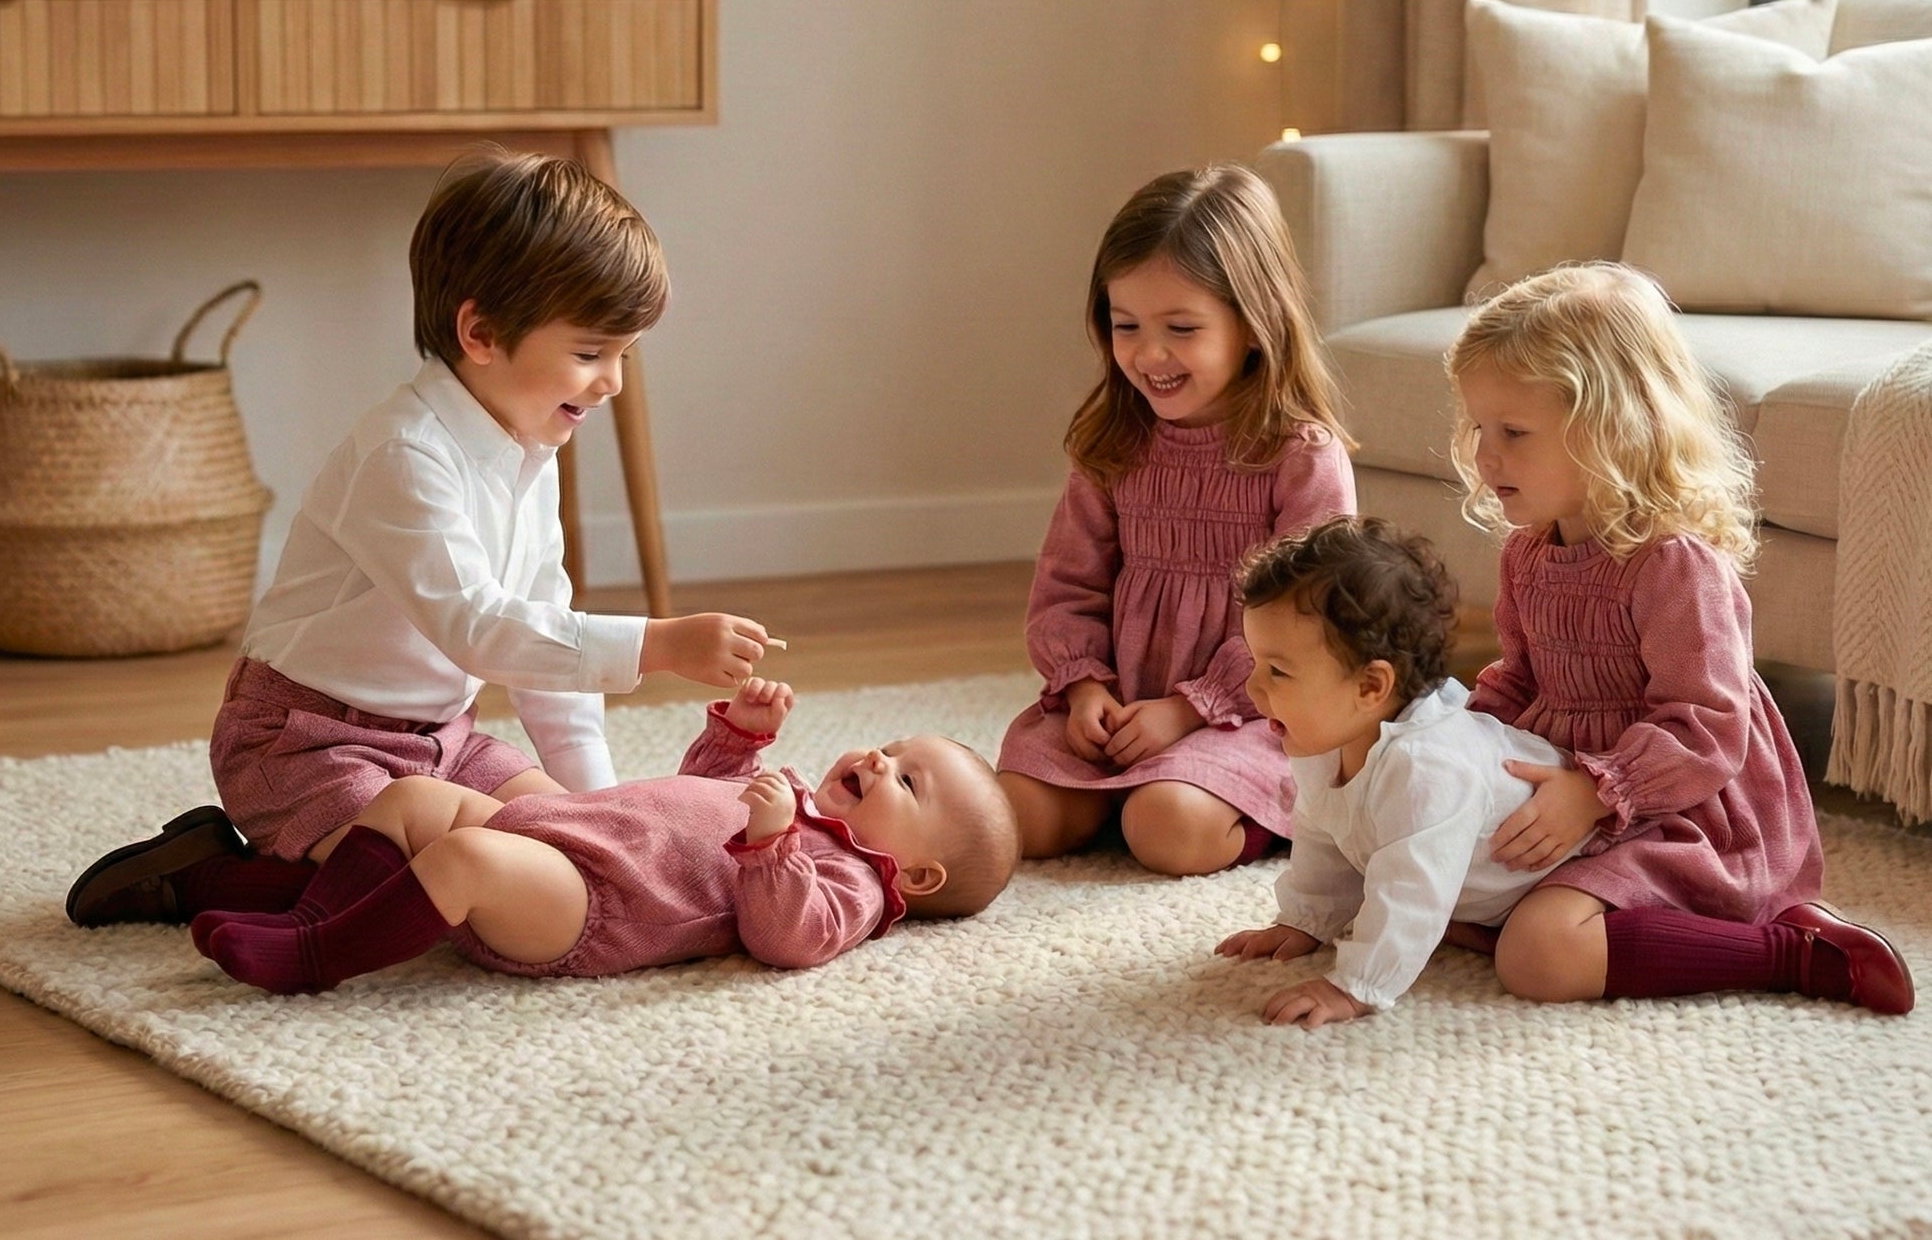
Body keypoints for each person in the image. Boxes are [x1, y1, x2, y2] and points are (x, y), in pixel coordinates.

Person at [68, 148, 775, 932]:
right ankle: (208, 871)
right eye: (589, 353)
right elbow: (479, 630)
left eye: (624, 355)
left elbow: (546, 657)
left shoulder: (531, 452)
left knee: (557, 850)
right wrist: (656, 644)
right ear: (480, 332)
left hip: (442, 741)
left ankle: (408, 843)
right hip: (304, 745)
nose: (612, 381)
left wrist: (598, 813)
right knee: (432, 880)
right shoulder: (404, 456)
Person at [1446, 262, 1912, 1014]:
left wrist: (1598, 793)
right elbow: (1518, 682)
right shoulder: (1528, 553)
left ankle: (1795, 954)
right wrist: (1450, 752)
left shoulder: (1672, 565)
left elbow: (1708, 725)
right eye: (1478, 429)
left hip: (1683, 806)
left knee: (1539, 954)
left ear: (1610, 431)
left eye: (1513, 433)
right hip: (1573, 786)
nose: (1485, 456)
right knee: (1441, 895)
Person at [188, 678, 1020, 993]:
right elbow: (700, 788)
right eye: (896, 746)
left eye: (907, 781)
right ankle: (303, 910)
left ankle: (317, 956)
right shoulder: (795, 797)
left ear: (917, 876)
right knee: (414, 798)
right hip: (564, 830)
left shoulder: (855, 885)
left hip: (590, 906)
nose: (880, 758)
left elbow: (787, 940)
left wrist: (775, 847)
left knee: (467, 856)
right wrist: (741, 737)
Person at [996, 165, 1355, 875]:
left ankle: (1252, 810)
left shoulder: (1300, 456)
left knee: (1166, 829)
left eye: (1181, 329)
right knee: (1015, 817)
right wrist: (1085, 689)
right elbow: (1067, 588)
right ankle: (1125, 791)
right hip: (1121, 703)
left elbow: (1311, 623)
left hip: (1252, 713)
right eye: (1126, 325)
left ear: (1255, 326)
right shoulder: (1113, 444)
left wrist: (1191, 711)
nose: (1149, 354)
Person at [1217, 517, 1589, 1028]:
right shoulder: (1326, 739)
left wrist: (1355, 985)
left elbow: (1410, 890)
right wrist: (1307, 922)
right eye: (1257, 663)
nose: (1254, 686)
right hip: (1492, 892)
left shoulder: (1427, 768)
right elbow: (1325, 835)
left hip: (1587, 859)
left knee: (1549, 951)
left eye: (1277, 671)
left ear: (1371, 686)